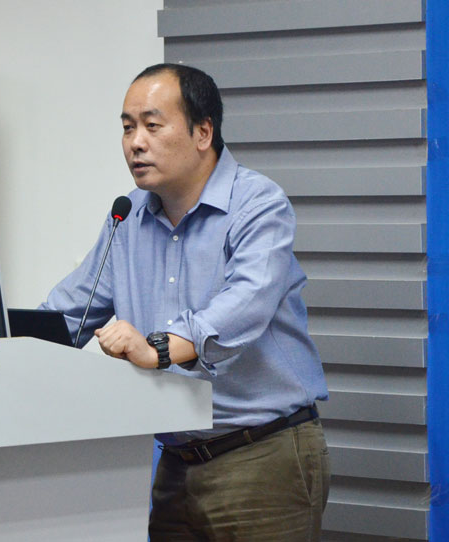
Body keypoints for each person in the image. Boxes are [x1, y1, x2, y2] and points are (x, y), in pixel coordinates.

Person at [40, 63, 330, 541]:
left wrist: (156, 348)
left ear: (202, 132)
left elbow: (246, 303)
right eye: (127, 128)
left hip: (261, 455)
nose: (135, 143)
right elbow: (70, 309)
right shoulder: (127, 216)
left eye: (152, 126)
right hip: (175, 462)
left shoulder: (258, 203)